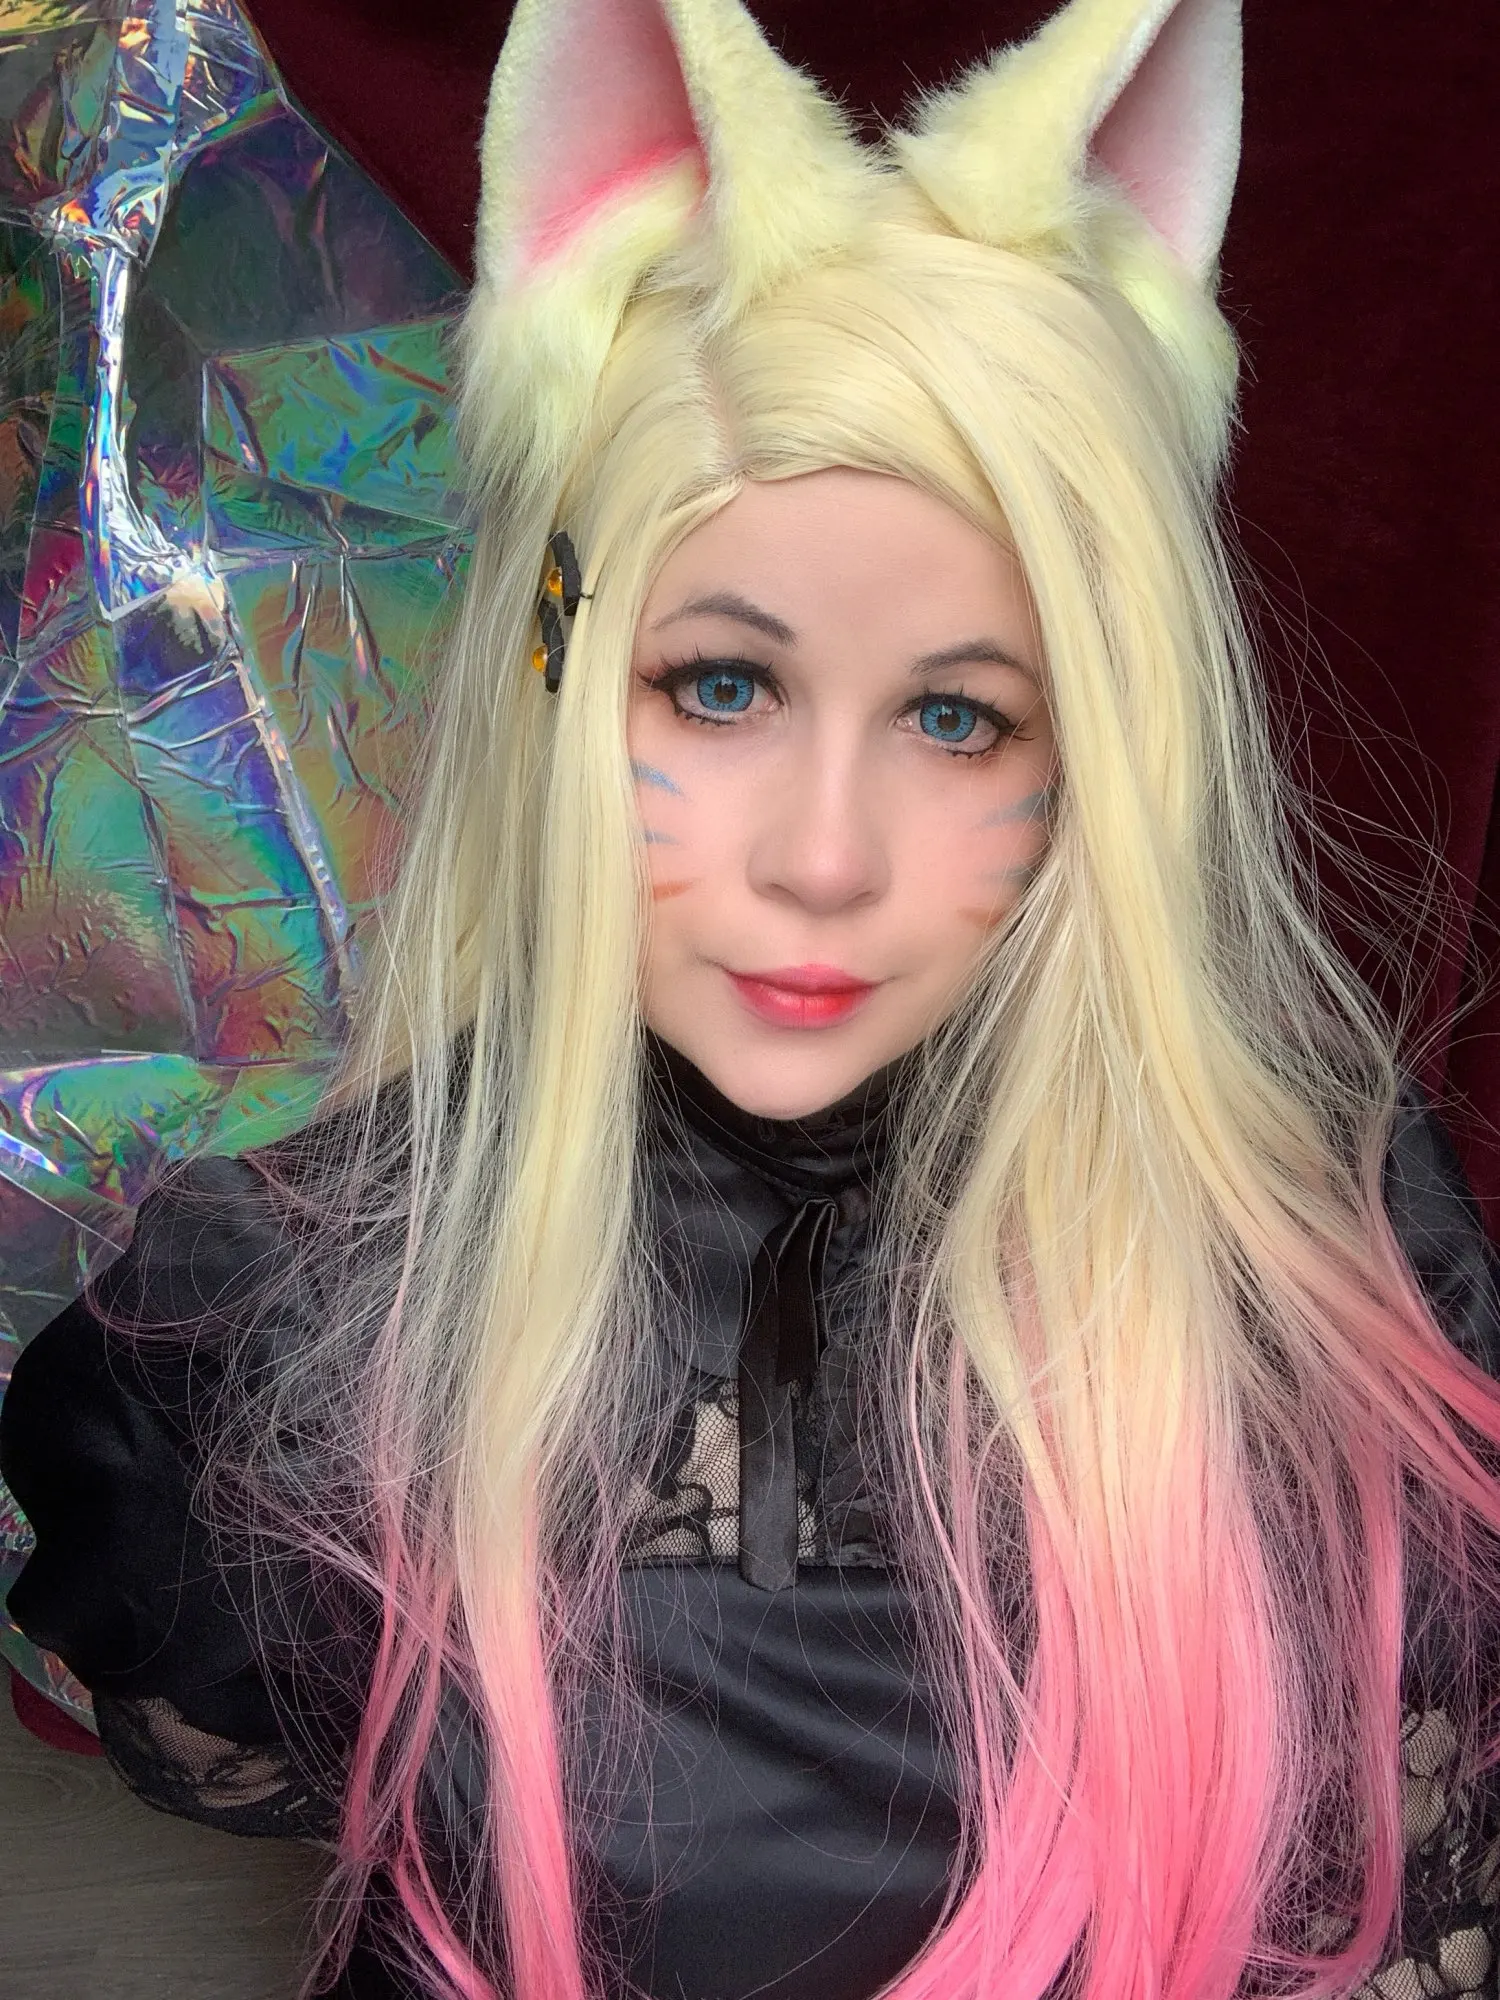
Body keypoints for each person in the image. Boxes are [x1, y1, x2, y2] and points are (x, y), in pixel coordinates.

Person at [5, 0, 1500, 1995]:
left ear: (1098, 757)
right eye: (720, 687)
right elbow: (230, 1719)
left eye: (959, 719)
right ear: (561, 683)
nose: (824, 856)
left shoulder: (1319, 1246)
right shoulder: (273, 1302)